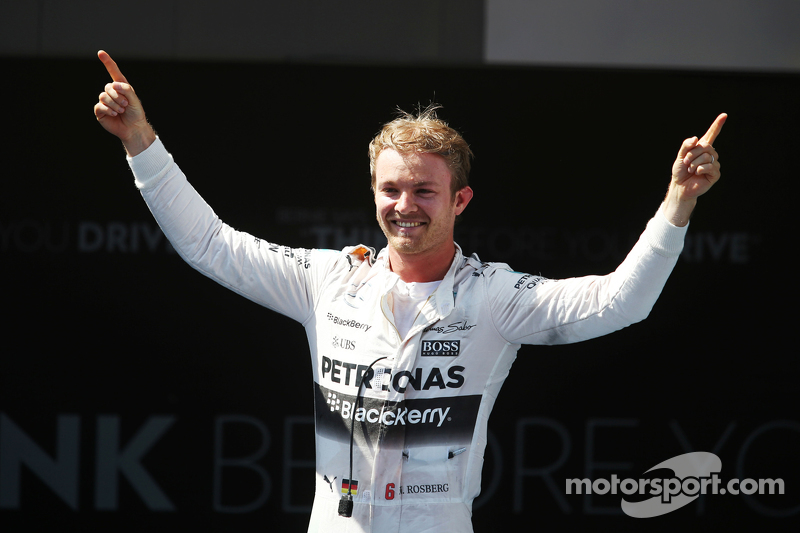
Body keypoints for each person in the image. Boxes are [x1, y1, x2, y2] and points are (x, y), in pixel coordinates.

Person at [94, 50, 726, 532]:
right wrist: (139, 143)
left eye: (424, 191)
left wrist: (678, 201)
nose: (405, 206)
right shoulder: (328, 280)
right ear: (373, 194)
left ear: (460, 200)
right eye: (391, 189)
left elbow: (621, 302)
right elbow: (210, 245)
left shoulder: (492, 298)